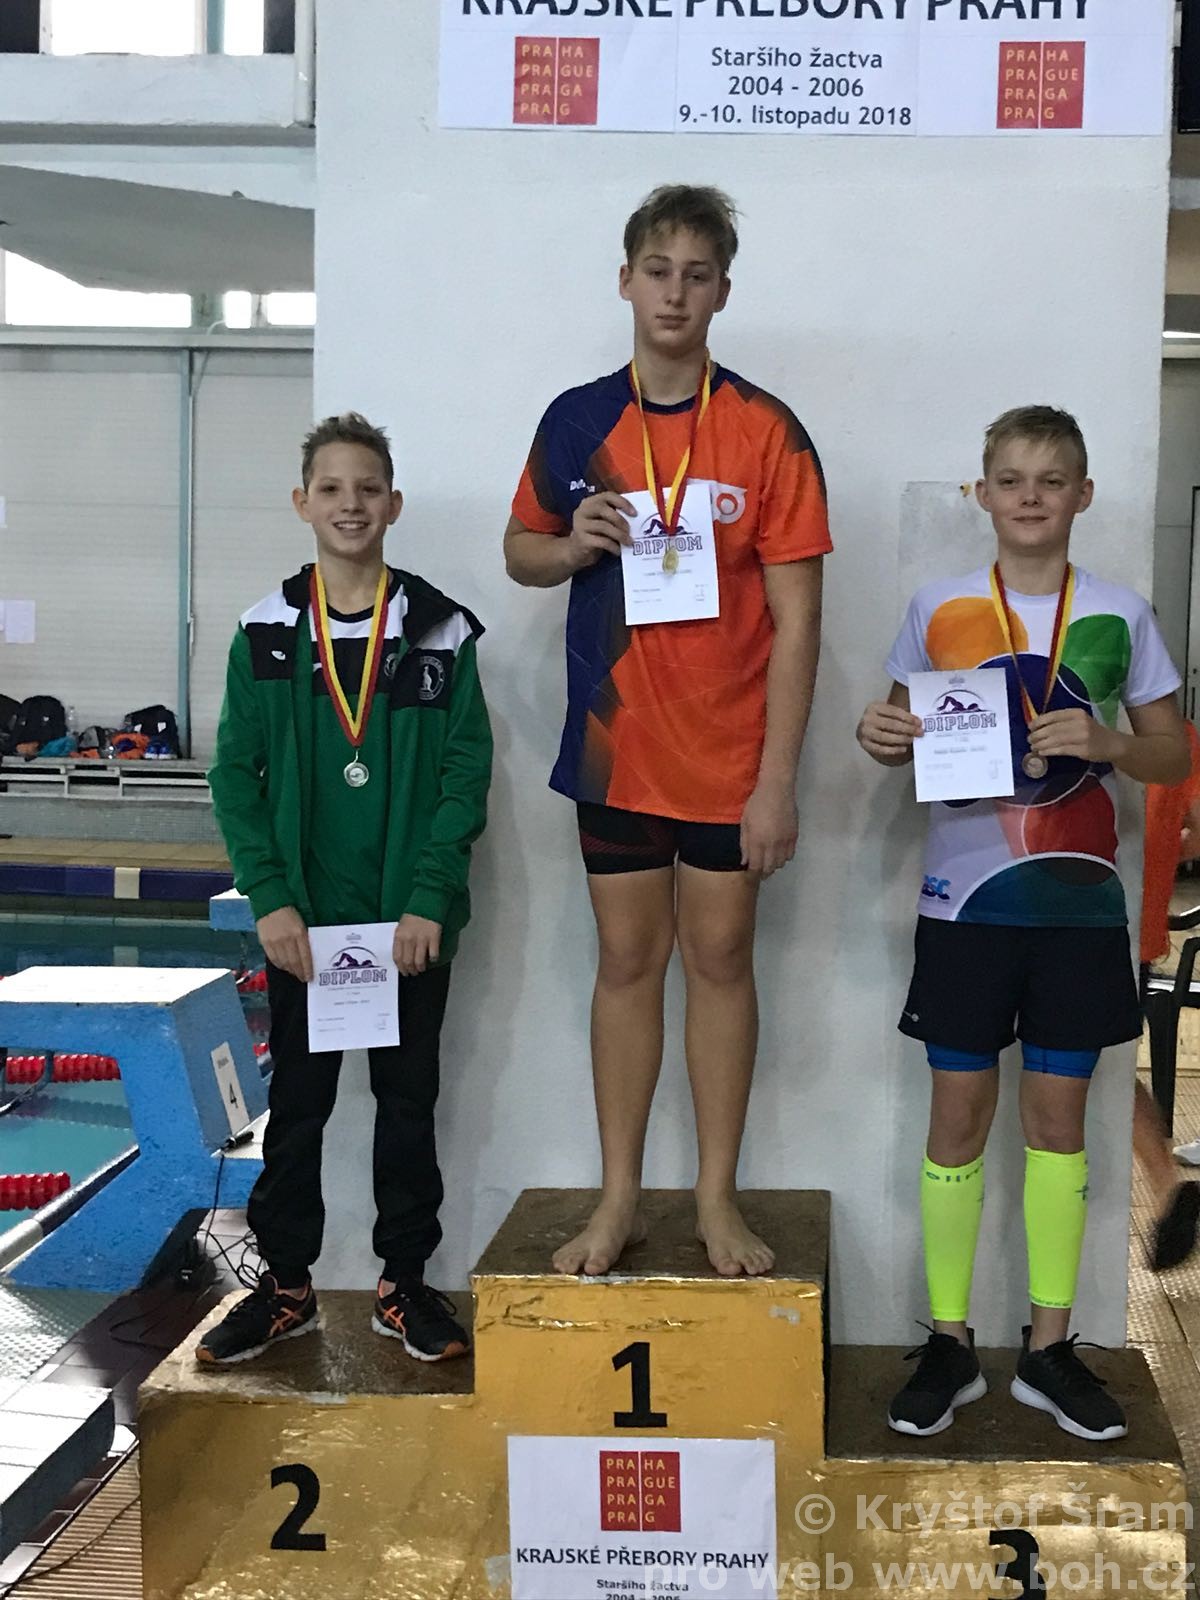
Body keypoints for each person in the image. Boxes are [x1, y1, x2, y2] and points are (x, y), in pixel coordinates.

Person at [505, 185, 830, 1278]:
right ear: (626, 281)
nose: (675, 293)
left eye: (697, 275)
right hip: (617, 750)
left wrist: (777, 780)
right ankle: (618, 1200)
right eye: (658, 271)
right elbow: (520, 548)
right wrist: (572, 546)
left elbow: (800, 621)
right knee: (627, 961)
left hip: (731, 760)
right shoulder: (576, 420)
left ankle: (715, 1200)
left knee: (722, 961)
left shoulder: (769, 430)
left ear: (723, 291)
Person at [857, 405, 1187, 1442]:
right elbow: (901, 729)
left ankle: (1048, 1347)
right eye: (1010, 479)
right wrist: (880, 734)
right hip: (964, 903)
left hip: (1078, 908)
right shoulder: (940, 606)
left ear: (1083, 494)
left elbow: (1175, 753)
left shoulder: (1122, 613)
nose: (1031, 496)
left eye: (1051, 479)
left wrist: (1112, 743)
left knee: (1057, 1124)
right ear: (983, 494)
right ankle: (950, 1340)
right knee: (957, 1119)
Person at [200, 412, 492, 1365]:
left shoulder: (441, 629)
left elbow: (464, 775)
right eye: (332, 488)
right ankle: (286, 1285)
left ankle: (404, 1284)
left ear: (393, 503)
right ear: (303, 503)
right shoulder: (266, 632)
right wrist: (271, 900)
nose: (351, 504)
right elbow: (233, 777)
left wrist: (429, 898)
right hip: (307, 930)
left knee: (409, 1108)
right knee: (300, 1113)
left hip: (409, 927)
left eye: (368, 488)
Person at [1135, 718, 1200, 1267]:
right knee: (1105, 1065)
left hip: (1087, 919)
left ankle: (1164, 1184)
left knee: (1089, 1065)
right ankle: (1164, 1185)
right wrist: (1162, 852)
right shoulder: (1182, 737)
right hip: (1141, 930)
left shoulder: (1081, 723)